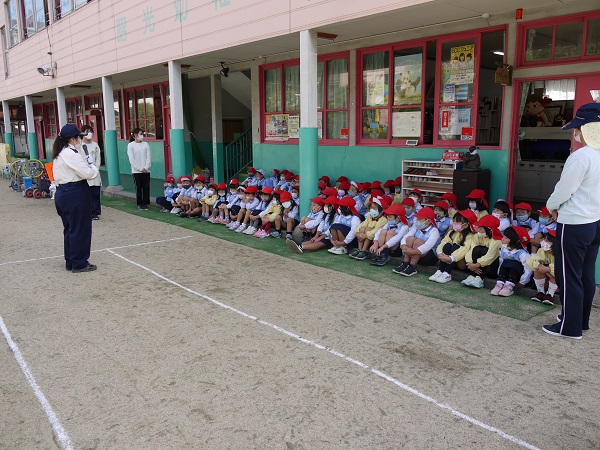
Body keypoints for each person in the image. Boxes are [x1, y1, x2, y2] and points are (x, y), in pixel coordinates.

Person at [543, 103, 600, 339]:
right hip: (595, 221)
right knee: (586, 274)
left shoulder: (581, 157)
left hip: (575, 223)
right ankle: (580, 321)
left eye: (577, 128)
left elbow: (564, 189)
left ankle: (570, 327)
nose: (575, 132)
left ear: (586, 129)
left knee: (568, 275)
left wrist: (551, 206)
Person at [52, 124, 99, 273]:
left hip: (64, 193)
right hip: (74, 193)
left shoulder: (61, 152)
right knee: (80, 229)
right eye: (78, 137)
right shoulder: (71, 154)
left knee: (70, 228)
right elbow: (88, 174)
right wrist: (93, 166)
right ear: (72, 139)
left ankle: (71, 261)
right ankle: (79, 263)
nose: (80, 139)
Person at [429, 209, 477, 283]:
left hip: (461, 262)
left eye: (457, 222)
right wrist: (440, 253)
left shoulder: (471, 236)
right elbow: (443, 242)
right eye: (454, 221)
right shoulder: (452, 233)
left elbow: (465, 249)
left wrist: (451, 258)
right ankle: (440, 271)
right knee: (447, 245)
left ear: (466, 225)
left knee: (455, 246)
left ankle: (447, 273)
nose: (454, 223)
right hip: (449, 260)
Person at [392, 207, 440, 276]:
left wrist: (412, 252)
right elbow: (405, 237)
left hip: (428, 258)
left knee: (418, 241)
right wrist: (405, 247)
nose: (417, 221)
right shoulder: (416, 228)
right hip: (413, 254)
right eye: (417, 219)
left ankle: (413, 266)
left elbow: (428, 246)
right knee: (410, 238)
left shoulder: (434, 231)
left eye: (419, 219)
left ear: (428, 221)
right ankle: (405, 263)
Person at [490, 226, 533, 297]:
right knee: (505, 262)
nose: (502, 238)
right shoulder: (504, 249)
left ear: (514, 240)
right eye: (503, 236)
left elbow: (528, 268)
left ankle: (509, 286)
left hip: (517, 276)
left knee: (515, 263)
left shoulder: (522, 253)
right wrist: (499, 274)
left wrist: (523, 282)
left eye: (506, 238)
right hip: (505, 273)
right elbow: (501, 262)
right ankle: (500, 283)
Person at [462, 214, 502, 289]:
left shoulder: (496, 240)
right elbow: (471, 249)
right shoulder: (477, 236)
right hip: (475, 266)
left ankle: (480, 278)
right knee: (477, 248)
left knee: (484, 250)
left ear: (489, 230)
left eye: (481, 228)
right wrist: (470, 263)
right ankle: (472, 275)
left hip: (491, 267)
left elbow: (490, 256)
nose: (478, 229)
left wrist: (477, 265)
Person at [349, 196, 389, 260]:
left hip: (375, 239)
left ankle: (364, 250)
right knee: (362, 228)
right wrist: (358, 233)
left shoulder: (383, 220)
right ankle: (360, 249)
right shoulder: (370, 217)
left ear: (381, 211)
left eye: (374, 208)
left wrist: (365, 235)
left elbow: (376, 231)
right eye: (371, 208)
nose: (372, 210)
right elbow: (362, 225)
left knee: (368, 229)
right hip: (365, 236)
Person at [526, 229, 557, 306]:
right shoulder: (542, 251)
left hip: (561, 283)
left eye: (547, 241)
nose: (544, 242)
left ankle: (550, 294)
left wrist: (548, 269)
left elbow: (562, 269)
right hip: (546, 279)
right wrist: (538, 266)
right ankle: (541, 292)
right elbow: (529, 261)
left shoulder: (562, 254)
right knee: (537, 269)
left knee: (555, 273)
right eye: (544, 239)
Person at [80, 125, 102, 220]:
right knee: (86, 194)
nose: (89, 133)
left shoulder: (95, 145)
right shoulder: (80, 146)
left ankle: (95, 212)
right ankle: (87, 212)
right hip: (85, 173)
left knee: (95, 193)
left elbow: (98, 158)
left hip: (95, 172)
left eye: (91, 131)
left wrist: (96, 168)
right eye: (87, 131)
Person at [127, 128, 151, 210]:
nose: (142, 136)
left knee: (146, 187)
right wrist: (140, 168)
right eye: (140, 134)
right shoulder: (130, 145)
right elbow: (131, 159)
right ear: (135, 135)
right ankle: (140, 203)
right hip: (136, 171)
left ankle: (146, 203)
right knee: (139, 187)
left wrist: (146, 167)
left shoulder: (146, 144)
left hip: (146, 170)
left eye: (142, 134)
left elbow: (148, 157)